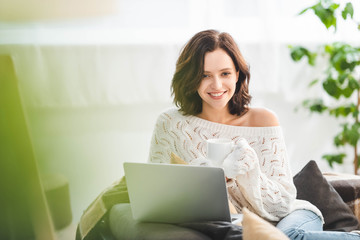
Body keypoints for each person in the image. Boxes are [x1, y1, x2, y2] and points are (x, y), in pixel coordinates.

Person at [148, 29, 360, 240]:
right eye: (205, 75)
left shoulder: (263, 120)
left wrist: (248, 172)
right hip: (235, 226)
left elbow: (283, 204)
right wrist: (212, 175)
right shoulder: (171, 124)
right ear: (191, 78)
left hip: (291, 215)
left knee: (289, 235)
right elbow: (155, 196)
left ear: (237, 75)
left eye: (225, 73)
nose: (217, 85)